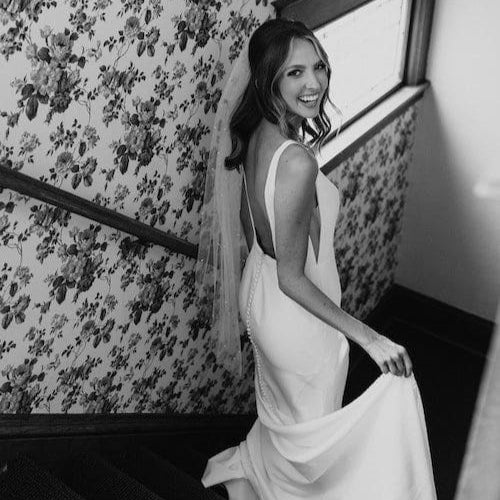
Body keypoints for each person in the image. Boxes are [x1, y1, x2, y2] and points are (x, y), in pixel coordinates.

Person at [197, 18, 437, 500]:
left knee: (289, 424)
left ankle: (260, 474)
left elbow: (254, 230)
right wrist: (372, 340)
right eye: (294, 73)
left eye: (319, 67)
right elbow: (292, 276)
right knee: (311, 444)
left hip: (259, 291)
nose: (314, 84)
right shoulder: (297, 160)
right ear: (267, 79)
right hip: (297, 320)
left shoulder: (252, 131)